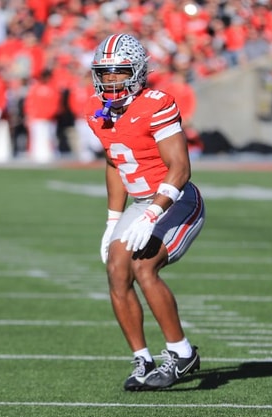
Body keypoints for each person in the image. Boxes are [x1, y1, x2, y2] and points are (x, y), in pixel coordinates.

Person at [84, 33, 206, 391]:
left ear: (136, 72)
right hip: (140, 203)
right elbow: (115, 163)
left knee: (142, 265)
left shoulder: (157, 104)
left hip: (177, 201)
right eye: (104, 74)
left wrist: (153, 214)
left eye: (119, 72)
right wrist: (111, 222)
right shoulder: (99, 113)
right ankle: (142, 358)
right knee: (116, 269)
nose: (111, 81)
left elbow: (180, 169)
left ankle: (182, 354)